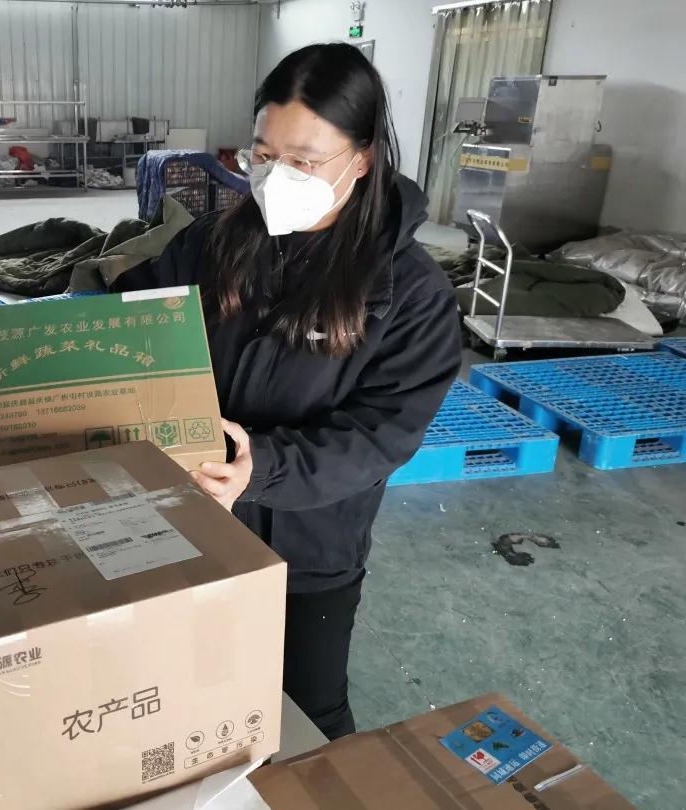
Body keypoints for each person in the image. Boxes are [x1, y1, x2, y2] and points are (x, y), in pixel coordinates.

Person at [114, 42, 461, 739]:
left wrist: (263, 467)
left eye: (303, 161)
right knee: (189, 692)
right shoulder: (214, 242)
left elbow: (381, 434)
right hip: (191, 520)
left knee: (308, 713)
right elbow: (135, 322)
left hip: (309, 549)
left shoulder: (409, 293)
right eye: (263, 155)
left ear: (362, 159)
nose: (276, 177)